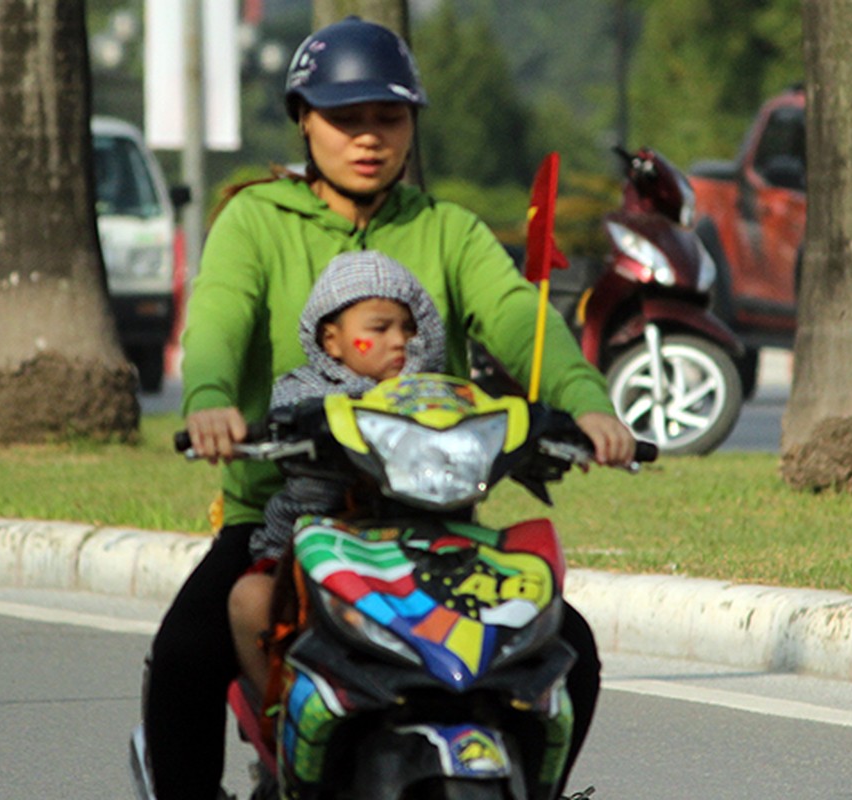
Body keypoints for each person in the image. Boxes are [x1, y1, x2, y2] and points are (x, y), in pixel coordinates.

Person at [144, 16, 638, 800]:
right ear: (303, 120)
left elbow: (519, 317)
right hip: (283, 515)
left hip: (430, 523)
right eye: (345, 118)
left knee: (565, 642)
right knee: (185, 651)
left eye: (388, 116)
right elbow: (219, 323)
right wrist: (208, 403)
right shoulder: (255, 221)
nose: (367, 137)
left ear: (412, 125)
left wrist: (588, 406)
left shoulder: (447, 230)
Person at [228, 249, 447, 692]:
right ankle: (279, 704)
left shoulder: (430, 394)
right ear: (332, 341)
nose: (400, 340)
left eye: (408, 327)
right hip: (312, 547)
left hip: (418, 547)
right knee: (249, 600)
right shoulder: (304, 390)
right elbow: (283, 415)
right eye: (379, 329)